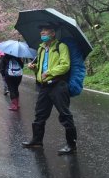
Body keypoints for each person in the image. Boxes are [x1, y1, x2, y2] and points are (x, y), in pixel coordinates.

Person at [22, 24, 77, 155]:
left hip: (58, 85)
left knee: (64, 114)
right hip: (44, 86)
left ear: (53, 34)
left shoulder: (61, 47)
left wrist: (50, 72)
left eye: (45, 32)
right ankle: (37, 140)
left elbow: (65, 66)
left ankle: (71, 145)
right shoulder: (41, 49)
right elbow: (41, 68)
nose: (42, 34)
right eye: (41, 33)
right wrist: (34, 67)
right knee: (40, 114)